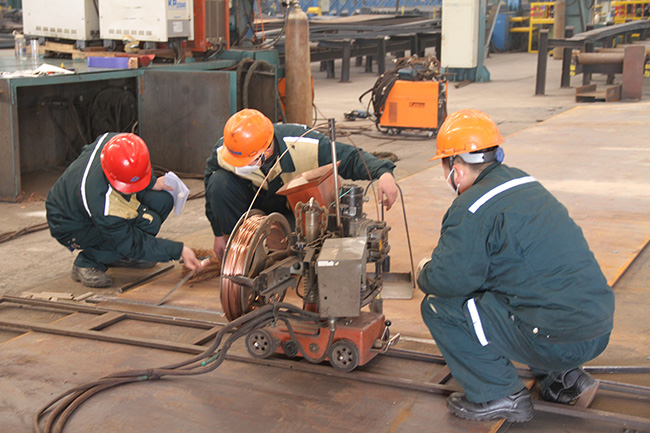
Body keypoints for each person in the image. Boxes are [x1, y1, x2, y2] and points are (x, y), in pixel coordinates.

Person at [416, 109, 614, 422]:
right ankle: (564, 378)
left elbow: (448, 280)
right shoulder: (524, 182)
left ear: (455, 168)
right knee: (522, 287)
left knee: (439, 307)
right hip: (596, 327)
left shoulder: (471, 206)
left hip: (557, 340)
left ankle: (500, 395)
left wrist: (424, 271)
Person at [204, 109, 399, 259]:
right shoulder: (226, 150)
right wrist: (219, 234)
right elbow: (211, 187)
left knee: (304, 247)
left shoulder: (304, 143)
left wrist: (383, 173)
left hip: (294, 209)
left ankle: (279, 243)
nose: (241, 166)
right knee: (219, 182)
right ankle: (239, 249)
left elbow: (349, 158)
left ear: (267, 150)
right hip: (252, 204)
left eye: (248, 161)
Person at [46, 133, 201, 288]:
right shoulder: (102, 203)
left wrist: (151, 182)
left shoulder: (119, 144)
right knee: (144, 227)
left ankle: (118, 256)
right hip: (69, 223)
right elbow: (131, 242)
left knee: (162, 200)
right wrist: (179, 250)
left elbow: (134, 164)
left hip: (94, 195)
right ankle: (87, 262)